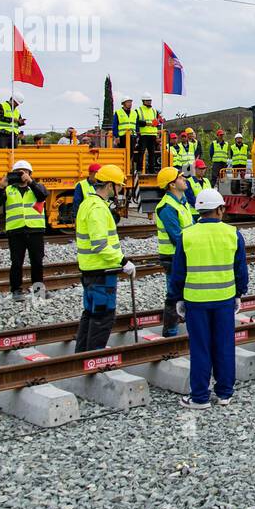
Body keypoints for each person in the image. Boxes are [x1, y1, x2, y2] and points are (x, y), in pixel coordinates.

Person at [171, 188, 248, 408]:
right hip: (224, 300)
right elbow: (240, 270)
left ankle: (200, 397)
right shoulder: (233, 234)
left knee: (200, 348)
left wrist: (177, 298)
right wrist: (239, 293)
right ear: (220, 209)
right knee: (224, 346)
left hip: (196, 301)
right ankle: (224, 394)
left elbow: (179, 273)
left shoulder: (186, 235)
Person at [74, 165, 135, 352]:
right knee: (103, 315)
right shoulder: (98, 208)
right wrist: (123, 261)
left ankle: (82, 355)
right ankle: (94, 357)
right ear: (109, 185)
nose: (120, 191)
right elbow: (100, 244)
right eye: (119, 186)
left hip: (90, 270)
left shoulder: (87, 203)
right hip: (101, 271)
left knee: (90, 313)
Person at [0, 159, 48, 300]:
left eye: (24, 172)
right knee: (16, 262)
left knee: (37, 262)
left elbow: (43, 195)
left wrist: (31, 182)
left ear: (30, 173)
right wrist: (1, 187)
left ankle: (39, 290)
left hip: (35, 230)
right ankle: (16, 290)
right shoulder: (8, 189)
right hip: (16, 230)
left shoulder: (36, 187)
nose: (21, 175)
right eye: (17, 172)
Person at [155, 167, 193, 338]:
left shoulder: (181, 202)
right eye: (180, 177)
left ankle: (178, 330)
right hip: (173, 258)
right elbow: (177, 237)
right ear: (172, 184)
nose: (184, 178)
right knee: (174, 296)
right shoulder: (167, 207)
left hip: (184, 255)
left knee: (184, 294)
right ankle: (170, 335)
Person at [136, 94, 161, 172]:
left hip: (153, 134)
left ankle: (152, 170)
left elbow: (158, 122)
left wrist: (157, 125)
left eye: (150, 101)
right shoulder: (138, 110)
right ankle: (139, 169)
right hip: (143, 134)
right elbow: (137, 122)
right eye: (148, 101)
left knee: (152, 153)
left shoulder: (154, 111)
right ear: (143, 101)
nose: (149, 102)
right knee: (141, 152)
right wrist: (147, 123)